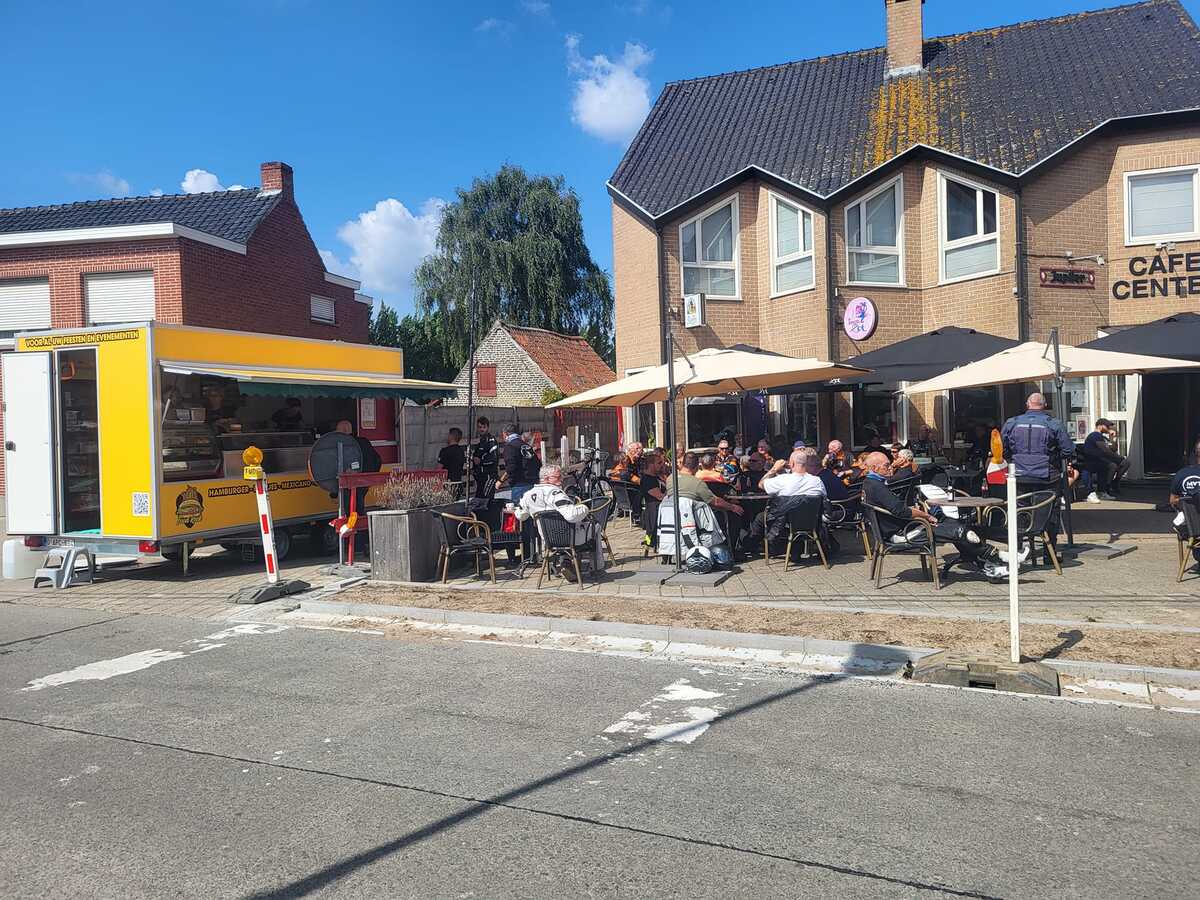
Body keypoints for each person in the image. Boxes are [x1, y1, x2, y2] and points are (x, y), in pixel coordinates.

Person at [861, 451, 1016, 580]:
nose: (890, 467)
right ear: (874, 468)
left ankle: (988, 564)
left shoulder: (871, 483)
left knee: (954, 524)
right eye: (886, 465)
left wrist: (923, 515)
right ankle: (998, 557)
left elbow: (898, 509)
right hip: (902, 534)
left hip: (906, 527)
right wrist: (926, 516)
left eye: (890, 464)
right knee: (959, 531)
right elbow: (901, 511)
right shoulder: (876, 486)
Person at [1001, 392, 1075, 553]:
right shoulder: (1054, 424)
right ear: (1045, 405)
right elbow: (1068, 450)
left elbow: (1002, 449)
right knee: (1049, 513)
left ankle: (1017, 551)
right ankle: (1049, 553)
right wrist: (1053, 459)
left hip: (1019, 476)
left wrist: (1014, 459)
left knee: (1019, 511)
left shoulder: (1012, 423)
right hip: (1047, 477)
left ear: (1027, 405)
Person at [664, 453, 745, 519]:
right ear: (697, 467)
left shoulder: (670, 479)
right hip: (692, 520)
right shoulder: (697, 483)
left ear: (682, 464)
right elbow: (715, 502)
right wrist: (733, 507)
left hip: (671, 518)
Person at [1080, 418, 1131, 501]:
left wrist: (1113, 438)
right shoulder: (1095, 435)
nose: (1108, 428)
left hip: (1101, 459)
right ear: (1100, 426)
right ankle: (1104, 489)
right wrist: (1118, 457)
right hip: (1092, 460)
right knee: (1112, 465)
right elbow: (1105, 450)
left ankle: (1113, 483)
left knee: (1125, 463)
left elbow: (1113, 449)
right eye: (1107, 426)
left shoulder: (1103, 437)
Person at [1169, 438, 1200, 572]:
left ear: (1195, 454)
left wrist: (1187, 505)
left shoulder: (1181, 474)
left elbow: (1173, 501)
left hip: (1190, 528)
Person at [759, 449, 827, 499]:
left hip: (786, 515)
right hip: (812, 515)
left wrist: (774, 468)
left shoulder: (782, 480)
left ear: (792, 463)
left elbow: (761, 484)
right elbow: (824, 499)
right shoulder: (817, 481)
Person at [470, 416, 499, 502]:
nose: (482, 429)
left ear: (488, 427)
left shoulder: (491, 440)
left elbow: (494, 458)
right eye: (480, 427)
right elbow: (476, 457)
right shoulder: (480, 442)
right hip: (480, 477)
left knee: (486, 500)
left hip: (489, 476)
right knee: (479, 500)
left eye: (484, 427)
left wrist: (481, 461)